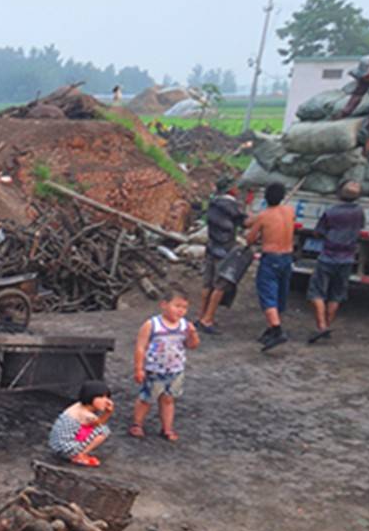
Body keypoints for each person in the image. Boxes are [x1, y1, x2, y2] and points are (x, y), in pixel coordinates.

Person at [130, 290, 200, 441]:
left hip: (175, 370)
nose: (181, 310)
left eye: (184, 307)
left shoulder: (184, 325)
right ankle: (137, 424)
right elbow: (140, 347)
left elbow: (191, 345)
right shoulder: (152, 325)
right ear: (164, 305)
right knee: (147, 398)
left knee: (168, 399)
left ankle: (167, 428)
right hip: (154, 369)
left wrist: (193, 334)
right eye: (177, 306)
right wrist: (139, 368)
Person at [308, 181, 365, 343]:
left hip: (328, 256)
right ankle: (327, 325)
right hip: (347, 258)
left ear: (339, 194)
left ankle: (322, 326)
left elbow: (319, 232)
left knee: (317, 292)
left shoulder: (331, 212)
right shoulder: (359, 212)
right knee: (336, 294)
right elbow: (360, 229)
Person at [246, 181, 296, 351]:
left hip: (271, 258)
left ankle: (277, 330)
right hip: (287, 257)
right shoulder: (290, 211)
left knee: (267, 293)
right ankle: (272, 325)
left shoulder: (264, 216)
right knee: (281, 292)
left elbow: (250, 239)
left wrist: (254, 227)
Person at [198, 178, 246, 333]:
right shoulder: (231, 205)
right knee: (220, 285)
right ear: (230, 189)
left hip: (212, 247)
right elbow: (244, 222)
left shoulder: (213, 203)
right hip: (224, 249)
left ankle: (201, 317)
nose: (238, 190)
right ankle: (208, 320)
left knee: (208, 284)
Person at [47, 381, 114, 467]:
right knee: (103, 431)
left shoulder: (78, 405)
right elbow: (99, 424)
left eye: (107, 397)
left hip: (57, 445)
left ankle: (76, 451)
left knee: (90, 429)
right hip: (65, 448)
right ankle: (79, 455)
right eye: (101, 397)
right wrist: (108, 413)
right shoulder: (86, 415)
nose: (106, 401)